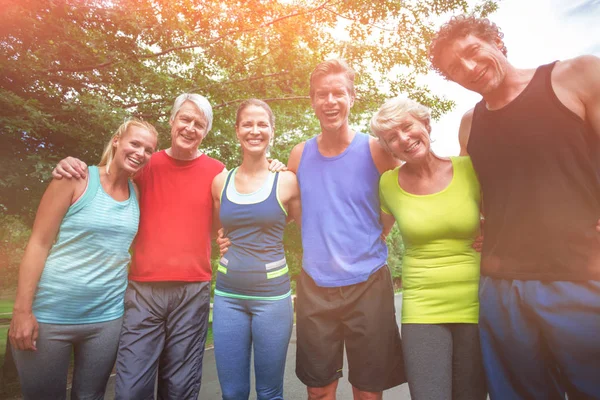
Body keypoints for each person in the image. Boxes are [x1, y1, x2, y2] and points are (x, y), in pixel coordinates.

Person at [429, 15, 600, 399]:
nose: (469, 68)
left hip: (581, 276)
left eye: (473, 51)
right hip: (502, 288)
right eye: (455, 68)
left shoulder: (577, 75)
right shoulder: (470, 124)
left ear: (496, 41)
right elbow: (469, 195)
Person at [52, 93, 225, 399]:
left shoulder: (217, 172)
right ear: (172, 121)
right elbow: (106, 180)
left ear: (206, 131)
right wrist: (71, 164)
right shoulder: (145, 164)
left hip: (192, 290)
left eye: (199, 124)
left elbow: (243, 203)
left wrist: (274, 167)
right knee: (131, 387)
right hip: (143, 289)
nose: (189, 128)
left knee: (180, 388)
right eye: (184, 119)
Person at [9, 119, 158, 400]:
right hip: (50, 317)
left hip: (106, 321)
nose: (141, 153)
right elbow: (39, 243)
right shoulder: (75, 177)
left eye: (148, 149)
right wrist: (22, 311)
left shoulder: (137, 193)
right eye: (135, 143)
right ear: (117, 141)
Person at [288, 59, 405, 400]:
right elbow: (286, 209)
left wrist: (375, 234)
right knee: (319, 390)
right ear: (312, 101)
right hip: (315, 286)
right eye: (322, 94)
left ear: (352, 97)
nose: (330, 101)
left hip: (368, 284)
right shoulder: (299, 155)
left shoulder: (376, 150)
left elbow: (403, 195)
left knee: (367, 391)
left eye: (338, 93)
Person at [371, 96, 486, 400]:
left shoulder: (470, 169)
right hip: (423, 307)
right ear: (389, 149)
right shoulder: (388, 184)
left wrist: (495, 232)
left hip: (476, 302)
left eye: (407, 127)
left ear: (425, 123)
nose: (404, 139)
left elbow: (507, 215)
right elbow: (373, 235)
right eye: (392, 137)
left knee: (470, 395)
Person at [210, 99, 301, 400]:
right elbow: (219, 229)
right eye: (247, 124)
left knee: (269, 392)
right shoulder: (219, 182)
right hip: (227, 298)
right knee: (233, 392)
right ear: (237, 130)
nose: (255, 130)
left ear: (272, 131)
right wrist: (221, 240)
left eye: (262, 124)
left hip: (272, 300)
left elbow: (307, 230)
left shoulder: (287, 181)